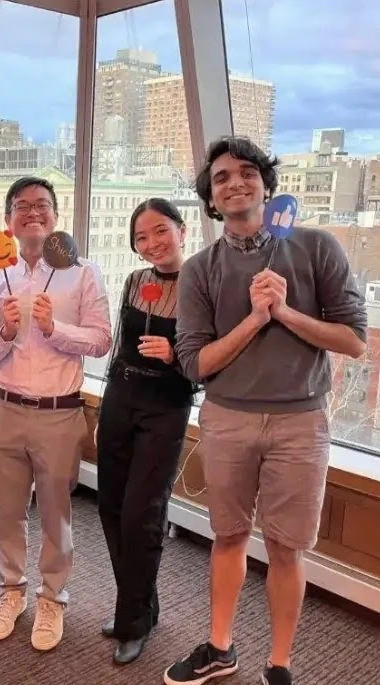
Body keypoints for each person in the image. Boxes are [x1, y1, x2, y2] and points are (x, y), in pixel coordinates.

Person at [165, 136, 367, 685]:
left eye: (247, 172)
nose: (235, 182)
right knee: (228, 536)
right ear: (210, 197)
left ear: (266, 184)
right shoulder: (201, 269)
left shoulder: (316, 247)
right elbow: (194, 363)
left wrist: (285, 312)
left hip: (302, 422)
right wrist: (255, 319)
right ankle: (220, 646)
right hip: (227, 416)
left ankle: (279, 664)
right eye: (222, 177)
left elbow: (353, 340)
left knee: (286, 546)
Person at [0, 176, 112, 652]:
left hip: (59, 413)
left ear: (55, 215)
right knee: (7, 512)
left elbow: (101, 340)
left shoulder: (83, 272)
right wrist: (7, 332)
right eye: (21, 206)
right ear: (9, 220)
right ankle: (10, 591)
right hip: (4, 410)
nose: (32, 212)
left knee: (57, 514)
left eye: (42, 205)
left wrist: (56, 329)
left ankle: (52, 596)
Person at [97, 198, 195, 666]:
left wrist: (174, 356)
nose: (152, 243)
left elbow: (208, 361)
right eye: (141, 237)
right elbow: (120, 342)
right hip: (121, 396)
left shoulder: (202, 286)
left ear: (182, 229)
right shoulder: (136, 281)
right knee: (111, 506)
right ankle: (140, 606)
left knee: (143, 514)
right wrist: (108, 392)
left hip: (166, 405)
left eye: (160, 231)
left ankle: (133, 622)